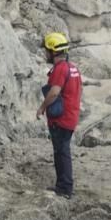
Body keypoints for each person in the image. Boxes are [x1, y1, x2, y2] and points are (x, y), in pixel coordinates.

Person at [36, 32, 82, 198]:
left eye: (47, 50)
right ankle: (63, 186)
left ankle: (64, 188)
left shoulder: (60, 69)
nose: (45, 53)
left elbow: (54, 92)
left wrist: (42, 107)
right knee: (63, 150)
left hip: (61, 119)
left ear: (54, 51)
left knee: (61, 152)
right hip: (71, 116)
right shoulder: (73, 68)